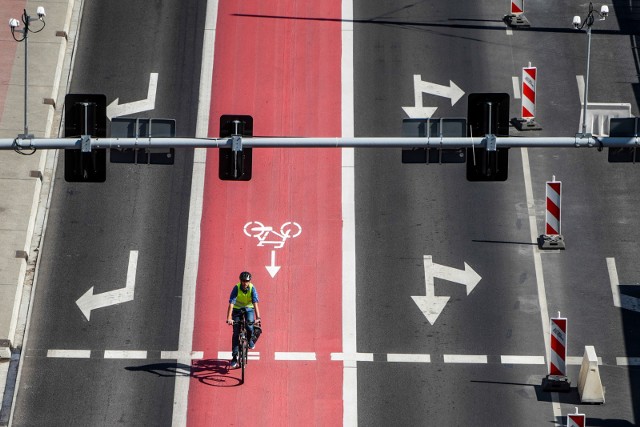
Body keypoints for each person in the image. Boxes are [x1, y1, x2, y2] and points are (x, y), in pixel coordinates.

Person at [226, 271, 261, 369]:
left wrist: (258, 317)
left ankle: (250, 340)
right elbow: (231, 304)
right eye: (243, 281)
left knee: (250, 326)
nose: (245, 283)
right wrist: (229, 318)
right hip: (237, 309)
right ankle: (234, 357)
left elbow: (255, 303)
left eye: (247, 281)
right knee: (236, 333)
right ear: (240, 281)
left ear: (250, 281)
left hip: (249, 308)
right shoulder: (236, 288)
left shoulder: (252, 288)